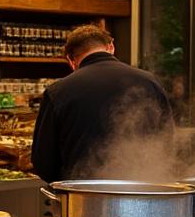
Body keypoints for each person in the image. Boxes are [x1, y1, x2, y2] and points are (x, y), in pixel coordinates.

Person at [32, 25, 173, 182]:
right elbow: (167, 141)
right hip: (142, 188)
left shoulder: (57, 91)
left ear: (71, 60)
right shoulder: (149, 81)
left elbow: (43, 162)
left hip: (83, 194)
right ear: (111, 47)